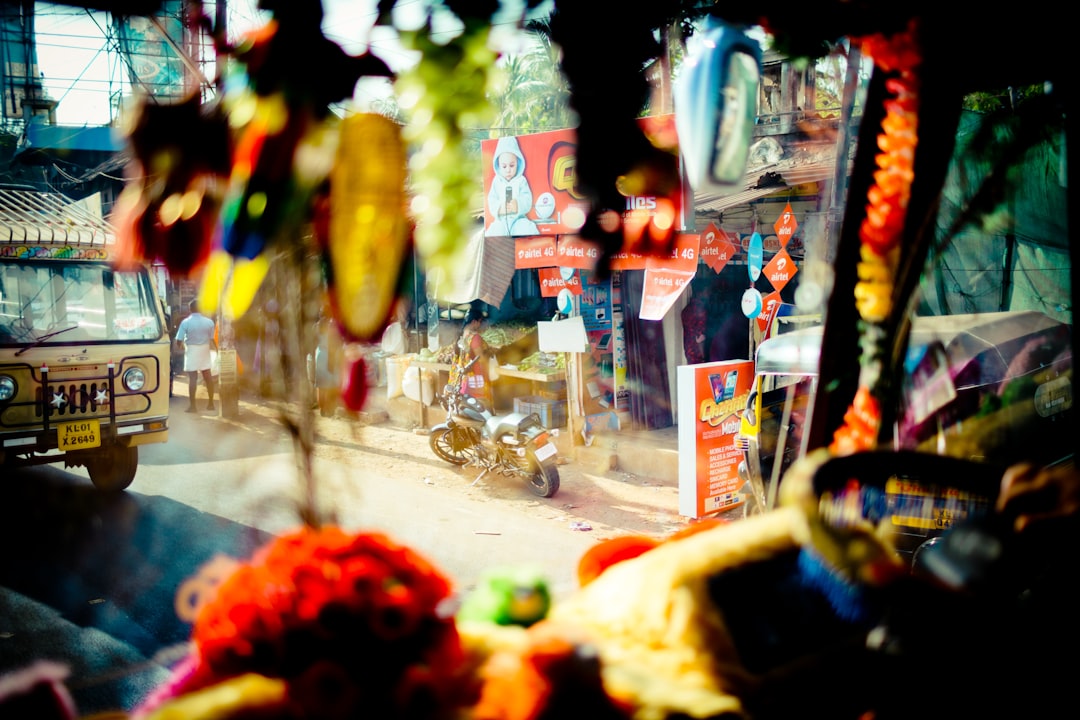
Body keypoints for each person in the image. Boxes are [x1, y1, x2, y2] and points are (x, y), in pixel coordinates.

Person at [485, 135, 539, 237]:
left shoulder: (521, 180)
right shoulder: (496, 182)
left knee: (525, 228)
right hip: (501, 221)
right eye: (504, 166)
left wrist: (518, 204)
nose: (508, 170)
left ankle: (531, 248)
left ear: (518, 163)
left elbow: (527, 199)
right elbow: (492, 199)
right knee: (496, 230)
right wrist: (499, 208)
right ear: (498, 165)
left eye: (512, 165)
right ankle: (495, 250)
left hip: (517, 220)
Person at [174, 299, 217, 413]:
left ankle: (193, 407)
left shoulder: (186, 322)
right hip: (204, 349)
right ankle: (211, 404)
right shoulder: (209, 322)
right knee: (208, 377)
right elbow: (212, 339)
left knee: (192, 378)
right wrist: (216, 351)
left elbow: (178, 340)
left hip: (191, 350)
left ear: (190, 309)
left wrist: (182, 347)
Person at [455, 306, 494, 409]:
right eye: (479, 321)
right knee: (479, 404)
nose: (480, 324)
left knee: (468, 403)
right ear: (474, 321)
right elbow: (480, 357)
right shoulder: (475, 337)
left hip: (466, 375)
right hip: (477, 374)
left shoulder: (462, 334)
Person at [681, 289, 709, 365]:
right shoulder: (701, 311)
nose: (708, 294)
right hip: (699, 355)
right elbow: (700, 337)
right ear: (700, 293)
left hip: (689, 352)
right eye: (707, 291)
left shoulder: (686, 310)